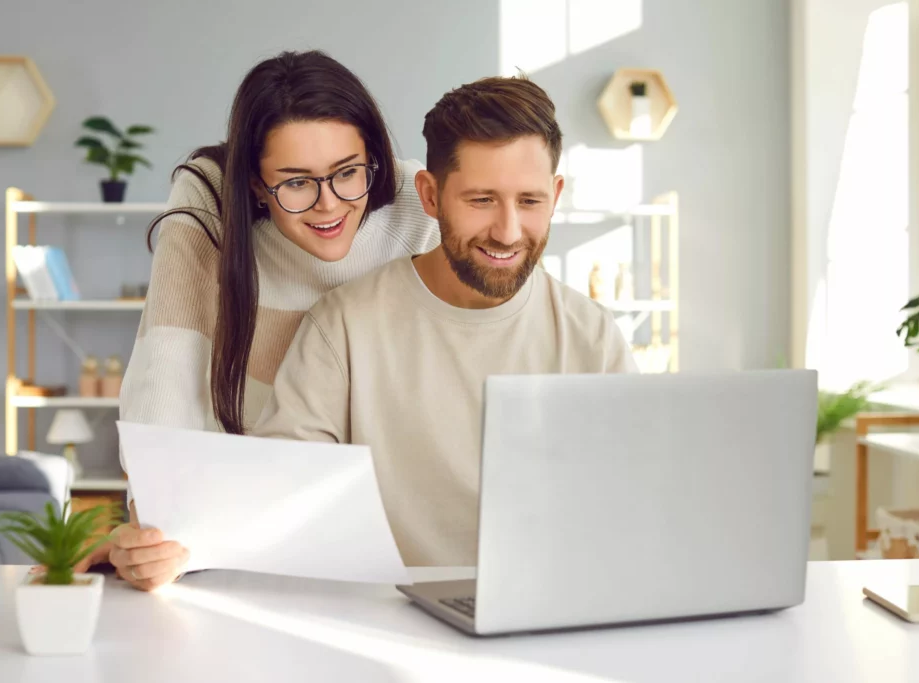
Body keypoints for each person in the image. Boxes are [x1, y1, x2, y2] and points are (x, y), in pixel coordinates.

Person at [83, 50, 439, 590]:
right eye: (296, 183)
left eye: (348, 173)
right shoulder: (210, 198)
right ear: (253, 182)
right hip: (242, 535)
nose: (328, 205)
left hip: (392, 540)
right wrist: (153, 528)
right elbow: (168, 368)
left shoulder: (417, 206)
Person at [253, 76, 638, 568]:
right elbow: (277, 498)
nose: (508, 231)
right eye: (481, 200)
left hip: (551, 620)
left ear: (556, 194)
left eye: (530, 201)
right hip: (384, 619)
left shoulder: (593, 338)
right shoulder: (344, 326)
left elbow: (632, 510)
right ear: (430, 196)